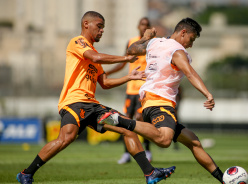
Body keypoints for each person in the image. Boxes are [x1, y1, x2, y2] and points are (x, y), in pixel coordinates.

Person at [16, 11, 175, 184]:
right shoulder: (77, 42)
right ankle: (26, 173)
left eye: (103, 28)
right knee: (66, 138)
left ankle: (150, 173)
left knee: (127, 127)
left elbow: (105, 83)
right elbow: (96, 57)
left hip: (93, 106)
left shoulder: (93, 52)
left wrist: (129, 77)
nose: (102, 31)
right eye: (99, 26)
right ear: (86, 24)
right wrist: (126, 58)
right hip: (74, 102)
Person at [98, 17, 224, 183]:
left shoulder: (155, 42)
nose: (191, 45)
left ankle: (223, 179)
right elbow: (190, 73)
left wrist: (145, 37)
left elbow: (132, 50)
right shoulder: (177, 51)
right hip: (160, 102)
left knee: (194, 142)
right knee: (164, 140)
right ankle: (120, 120)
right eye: (191, 39)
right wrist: (208, 94)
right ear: (183, 32)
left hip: (149, 101)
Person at [106, 17, 152, 164]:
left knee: (141, 120)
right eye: (142, 25)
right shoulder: (131, 42)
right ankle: (126, 153)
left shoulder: (152, 43)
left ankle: (147, 150)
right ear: (138, 26)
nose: (144, 27)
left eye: (147, 25)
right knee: (126, 121)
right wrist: (109, 73)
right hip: (130, 89)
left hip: (144, 89)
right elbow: (125, 61)